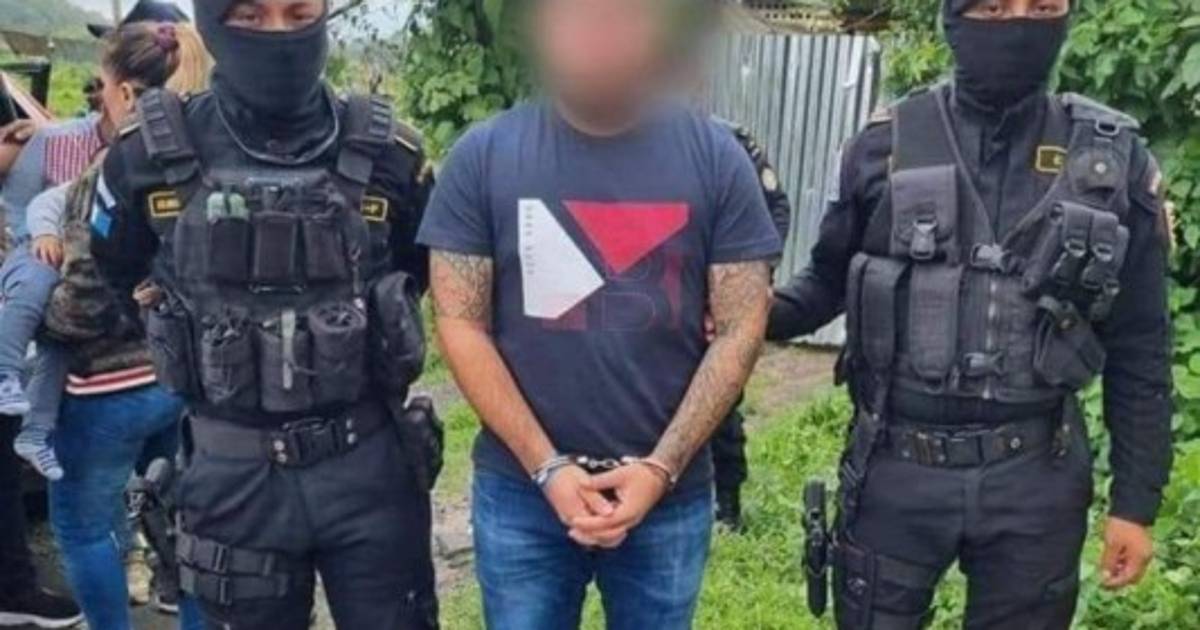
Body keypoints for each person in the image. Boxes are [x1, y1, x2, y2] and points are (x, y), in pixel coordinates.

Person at [769, 1, 1174, 627]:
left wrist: (1135, 504)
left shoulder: (1112, 160)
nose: (1018, 23)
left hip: (1036, 477)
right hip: (895, 467)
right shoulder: (883, 146)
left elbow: (1141, 345)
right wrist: (745, 317)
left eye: (1042, 6)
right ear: (953, 15)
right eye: (993, 6)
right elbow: (825, 282)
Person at [420, 0, 779, 627]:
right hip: (521, 493)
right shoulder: (483, 157)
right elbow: (459, 321)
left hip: (668, 498)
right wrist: (548, 469)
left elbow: (743, 323)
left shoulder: (718, 159)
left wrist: (661, 468)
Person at [92, 1, 438, 628]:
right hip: (232, 478)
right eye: (250, 16)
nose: (279, 33)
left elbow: (422, 274)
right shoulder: (143, 157)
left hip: (371, 469)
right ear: (212, 21)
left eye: (299, 12)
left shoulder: (392, 154)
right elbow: (117, 277)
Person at [29, 22, 212, 630]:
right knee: (187, 523)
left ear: (128, 94)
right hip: (186, 379)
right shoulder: (212, 156)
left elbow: (85, 300)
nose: (97, 100)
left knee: (84, 525)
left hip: (108, 391)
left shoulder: (118, 168)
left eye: (102, 88)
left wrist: (36, 316)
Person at [711, 119, 792, 530]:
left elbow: (776, 209)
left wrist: (752, 283)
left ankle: (728, 506)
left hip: (722, 298)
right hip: (664, 302)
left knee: (722, 399)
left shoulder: (729, 141)